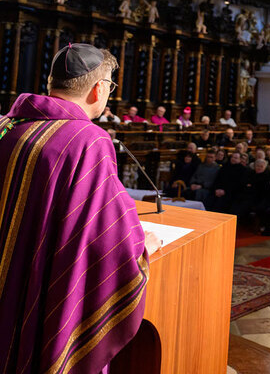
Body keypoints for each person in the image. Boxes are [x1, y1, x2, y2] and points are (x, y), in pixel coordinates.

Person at [0, 43, 161, 373]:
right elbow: (106, 239)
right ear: (99, 88)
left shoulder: (6, 126)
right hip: (34, 292)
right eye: (110, 87)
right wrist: (140, 244)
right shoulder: (87, 140)